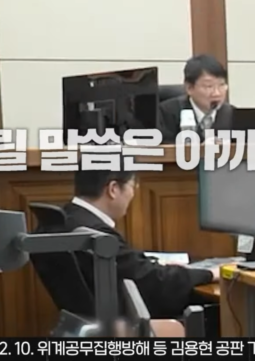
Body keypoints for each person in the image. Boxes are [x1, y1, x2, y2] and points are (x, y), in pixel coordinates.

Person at [62, 170, 219, 319]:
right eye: (133, 186)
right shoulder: (97, 233)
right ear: (113, 189)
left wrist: (155, 264)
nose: (133, 194)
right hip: (128, 325)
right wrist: (210, 273)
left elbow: (130, 266)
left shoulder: (67, 220)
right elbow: (154, 285)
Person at [157, 54, 235, 143]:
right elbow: (163, 147)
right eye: (209, 86)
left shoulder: (232, 115)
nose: (217, 93)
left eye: (222, 85)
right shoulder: (166, 113)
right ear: (189, 88)